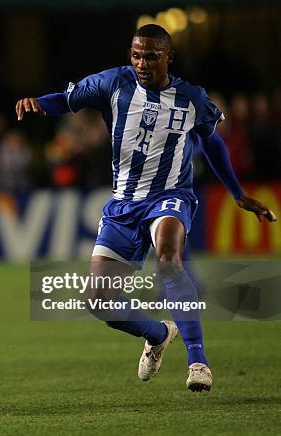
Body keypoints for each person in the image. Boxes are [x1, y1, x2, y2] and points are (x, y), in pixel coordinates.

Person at [15, 24, 276, 392]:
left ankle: (198, 361)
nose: (141, 62)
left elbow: (212, 142)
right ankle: (157, 333)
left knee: (169, 260)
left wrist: (236, 192)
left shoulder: (191, 98)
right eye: (136, 55)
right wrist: (40, 103)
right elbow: (66, 99)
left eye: (151, 56)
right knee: (98, 300)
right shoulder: (113, 83)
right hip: (124, 203)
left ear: (169, 57)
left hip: (171, 195)